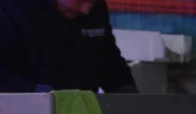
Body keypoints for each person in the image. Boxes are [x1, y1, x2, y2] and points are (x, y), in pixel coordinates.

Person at [0, 0, 138, 93]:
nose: (86, 10)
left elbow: (110, 63)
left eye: (92, 1)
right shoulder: (10, 10)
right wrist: (41, 95)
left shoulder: (96, 9)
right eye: (81, 0)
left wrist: (127, 93)